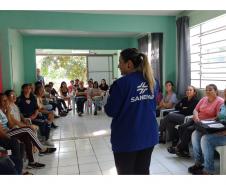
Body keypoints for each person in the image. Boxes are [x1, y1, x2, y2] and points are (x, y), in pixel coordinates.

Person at [104, 48, 158, 175]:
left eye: (120, 62)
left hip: (127, 139)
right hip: (148, 136)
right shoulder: (153, 82)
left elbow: (111, 111)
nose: (118, 65)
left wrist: (107, 99)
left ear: (129, 64)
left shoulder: (121, 84)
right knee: (143, 172)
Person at [168, 84, 224, 158]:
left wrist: (203, 120)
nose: (207, 91)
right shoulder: (204, 99)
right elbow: (196, 110)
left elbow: (218, 117)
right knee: (181, 127)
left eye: (210, 90)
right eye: (206, 90)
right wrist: (196, 116)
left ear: (216, 91)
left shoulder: (219, 101)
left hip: (204, 123)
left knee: (188, 129)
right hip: (196, 119)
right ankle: (185, 151)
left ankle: (179, 148)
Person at [188, 88, 226, 175]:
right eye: (224, 93)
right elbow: (219, 117)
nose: (224, 95)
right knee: (195, 134)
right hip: (219, 128)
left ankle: (208, 170)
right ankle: (198, 162)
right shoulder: (224, 104)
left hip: (224, 134)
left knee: (206, 139)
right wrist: (211, 123)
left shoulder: (219, 101)